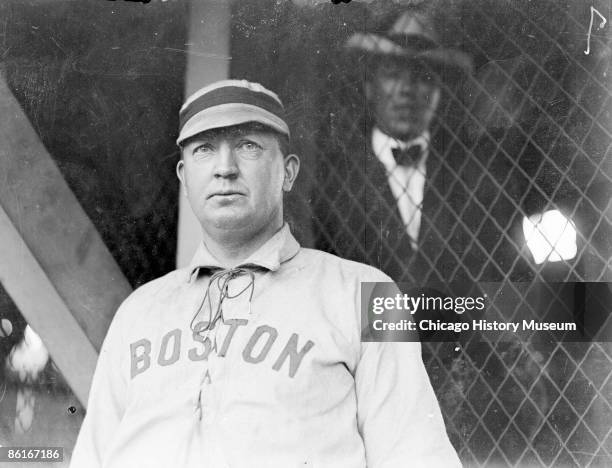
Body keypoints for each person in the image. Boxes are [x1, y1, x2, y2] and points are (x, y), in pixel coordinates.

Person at [70, 79, 460, 467]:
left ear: (288, 172)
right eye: (204, 149)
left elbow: (416, 455)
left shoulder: (367, 292)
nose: (225, 168)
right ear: (184, 178)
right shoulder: (138, 311)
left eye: (248, 146)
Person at [314, 9, 534, 286]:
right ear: (370, 87)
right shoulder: (333, 179)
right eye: (393, 74)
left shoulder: (481, 172)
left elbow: (515, 279)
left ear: (439, 91)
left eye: (422, 77)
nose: (406, 90)